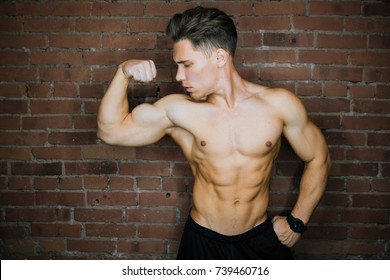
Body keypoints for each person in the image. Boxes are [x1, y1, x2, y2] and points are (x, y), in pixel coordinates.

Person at [97, 6, 331, 260]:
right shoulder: (178, 110)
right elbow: (111, 131)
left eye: (187, 64)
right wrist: (123, 73)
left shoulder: (278, 105)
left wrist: (297, 221)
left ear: (220, 57)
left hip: (260, 239)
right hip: (202, 241)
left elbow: (319, 157)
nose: (179, 76)